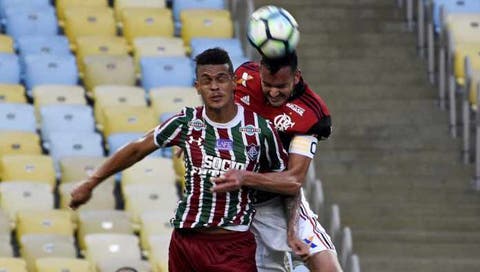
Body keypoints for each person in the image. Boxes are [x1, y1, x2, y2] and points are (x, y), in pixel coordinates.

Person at [69, 48, 297, 272]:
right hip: (186, 241)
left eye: (221, 79)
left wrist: (291, 228)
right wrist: (92, 182)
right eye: (206, 81)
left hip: (232, 244)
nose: (215, 87)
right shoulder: (187, 122)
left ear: (234, 82)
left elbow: (287, 183)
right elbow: (137, 149)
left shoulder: (260, 129)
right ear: (197, 87)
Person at [213, 51, 342, 272]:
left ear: (296, 77)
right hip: (233, 203)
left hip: (278, 200)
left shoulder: (311, 113)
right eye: (267, 84)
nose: (273, 92)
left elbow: (293, 181)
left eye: (281, 86)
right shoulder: (244, 77)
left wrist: (245, 177)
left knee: (328, 268)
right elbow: (215, 107)